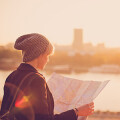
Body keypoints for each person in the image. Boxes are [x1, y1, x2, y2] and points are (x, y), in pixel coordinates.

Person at [0, 33, 94, 120]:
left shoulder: (11, 76)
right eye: (47, 55)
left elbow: (5, 111)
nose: (47, 60)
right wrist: (76, 112)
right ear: (39, 54)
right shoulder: (37, 80)